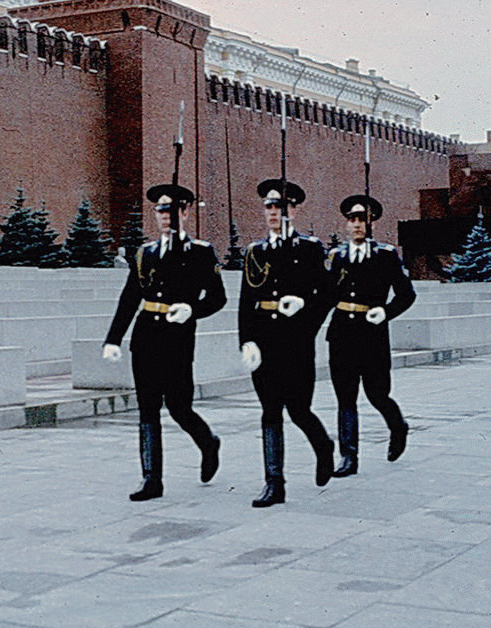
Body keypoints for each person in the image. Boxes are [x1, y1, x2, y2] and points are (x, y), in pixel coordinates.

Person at [102, 184, 227, 501]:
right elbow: (130, 298)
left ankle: (208, 442)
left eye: (171, 209)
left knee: (179, 407)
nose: (165, 215)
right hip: (146, 337)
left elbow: (218, 297)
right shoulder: (146, 253)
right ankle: (151, 480)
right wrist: (113, 339)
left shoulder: (200, 252)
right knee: (147, 409)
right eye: (160, 209)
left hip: (178, 338)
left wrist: (192, 310)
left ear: (185, 212)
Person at [238, 179, 334, 508]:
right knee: (269, 411)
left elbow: (328, 294)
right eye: (268, 206)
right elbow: (245, 302)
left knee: (298, 409)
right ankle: (274, 482)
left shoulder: (310, 248)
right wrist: (246, 342)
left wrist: (305, 310)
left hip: (296, 339)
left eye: (279, 206)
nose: (273, 212)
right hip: (264, 339)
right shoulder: (256, 251)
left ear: (293, 210)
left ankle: (323, 446)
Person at [326, 195, 416, 476]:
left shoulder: (386, 255)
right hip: (341, 332)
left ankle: (397, 426)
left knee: (377, 394)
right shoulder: (336, 256)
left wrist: (386, 312)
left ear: (371, 222)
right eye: (351, 219)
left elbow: (407, 294)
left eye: (361, 219)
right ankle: (349, 457)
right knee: (345, 397)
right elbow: (326, 295)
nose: (355, 225)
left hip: (372, 334)